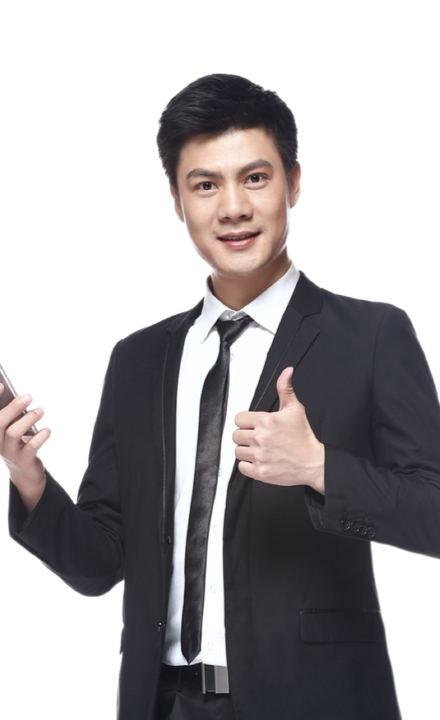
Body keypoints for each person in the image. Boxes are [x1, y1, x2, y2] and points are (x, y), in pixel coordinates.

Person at [2, 73, 439, 720]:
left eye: (254, 178)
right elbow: (98, 566)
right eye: (205, 185)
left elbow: (434, 514)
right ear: (177, 201)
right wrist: (29, 478)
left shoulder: (373, 335)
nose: (233, 207)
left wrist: (319, 467)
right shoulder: (136, 359)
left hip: (314, 703)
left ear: (294, 182)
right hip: (162, 704)